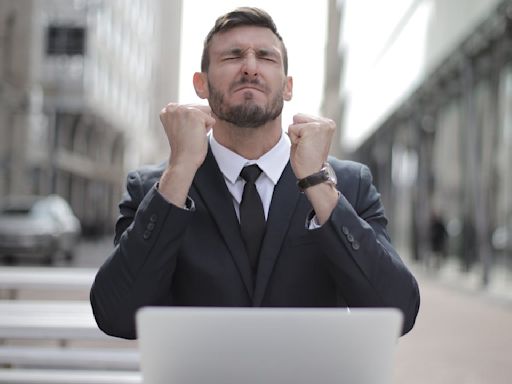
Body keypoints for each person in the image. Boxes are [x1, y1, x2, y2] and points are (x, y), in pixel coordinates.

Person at [90, 7, 420, 340]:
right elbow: (116, 315)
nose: (250, 68)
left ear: (288, 87)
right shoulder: (155, 188)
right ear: (200, 84)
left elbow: (396, 313)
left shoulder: (348, 184)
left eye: (266, 57)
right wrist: (180, 170)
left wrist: (316, 183)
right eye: (233, 56)